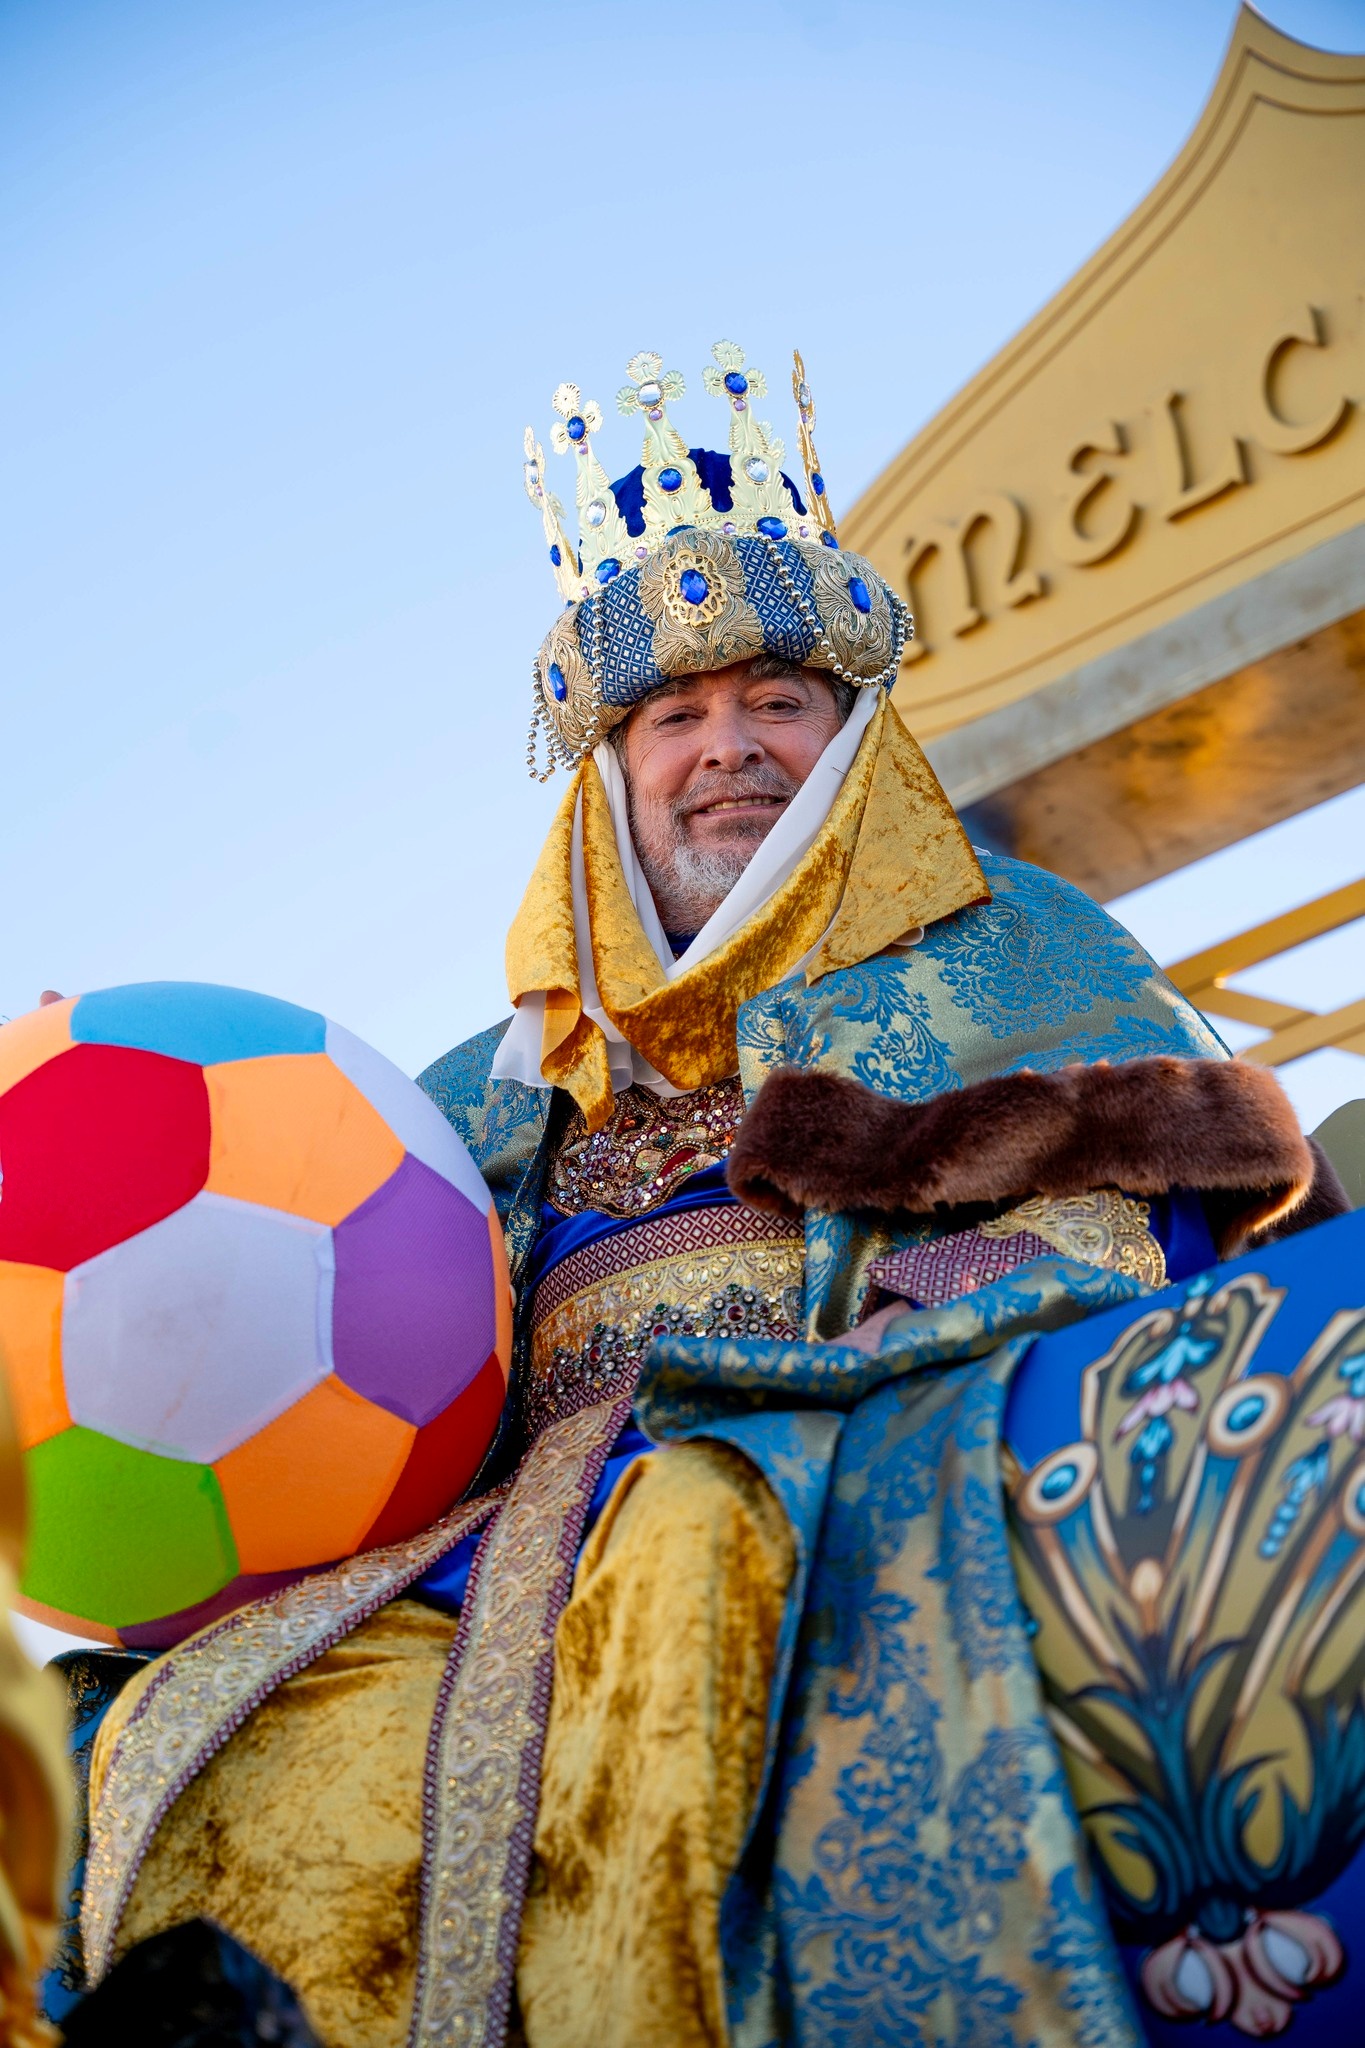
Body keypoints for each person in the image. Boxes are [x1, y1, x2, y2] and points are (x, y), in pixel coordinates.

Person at [78, 344, 1346, 2048]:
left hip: (842, 1454)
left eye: (775, 702)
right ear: (609, 773)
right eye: (672, 717)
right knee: (245, 1723)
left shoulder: (1025, 950)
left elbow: (1122, 1236)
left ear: (850, 737)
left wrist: (831, 1365)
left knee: (692, 1544)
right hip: (489, 1554)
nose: (726, 749)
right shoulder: (476, 1086)